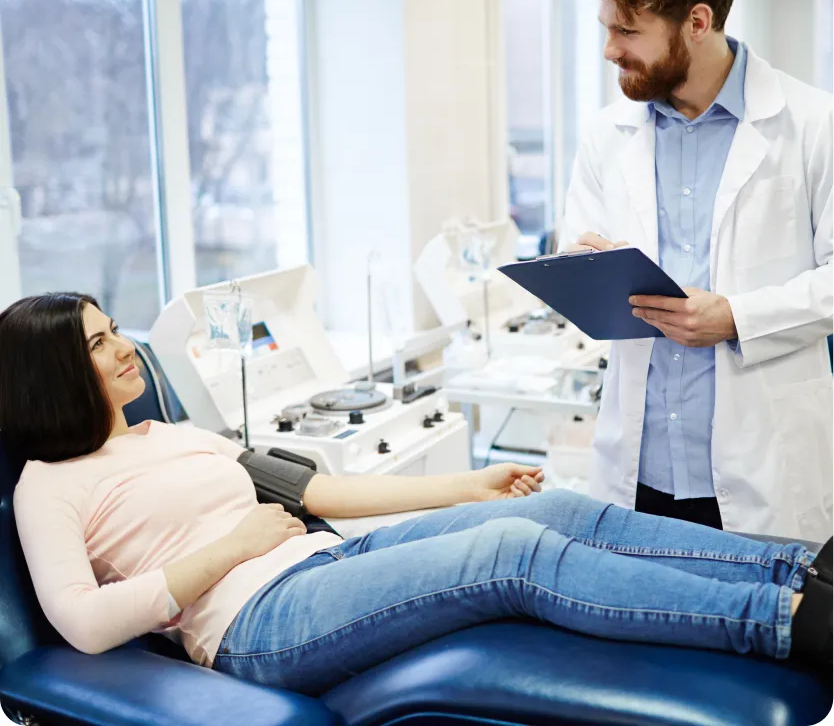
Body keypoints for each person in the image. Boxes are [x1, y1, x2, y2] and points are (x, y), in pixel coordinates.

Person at [2, 292, 831, 695]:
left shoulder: (176, 433)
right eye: (101, 343)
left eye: (115, 333)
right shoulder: (49, 485)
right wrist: (231, 548)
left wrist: (472, 484)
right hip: (256, 623)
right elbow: (83, 622)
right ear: (51, 376)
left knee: (547, 510)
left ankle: (801, 568)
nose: (126, 353)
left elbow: (321, 488)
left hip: (324, 559)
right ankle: (787, 624)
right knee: (516, 554)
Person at [559, 0, 833, 538]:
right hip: (640, 470)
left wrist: (736, 317)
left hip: (763, 472)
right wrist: (581, 264)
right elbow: (575, 241)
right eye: (607, 28)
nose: (610, 51)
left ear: (698, 22)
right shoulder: (608, 133)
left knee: (767, 631)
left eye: (628, 31)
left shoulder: (815, 124)